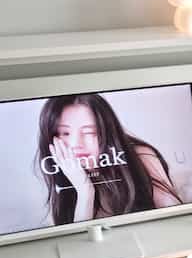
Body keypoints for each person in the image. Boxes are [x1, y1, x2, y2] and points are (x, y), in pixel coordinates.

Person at [36, 92, 182, 226]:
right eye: (64, 133)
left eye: (89, 132)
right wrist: (85, 192)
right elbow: (76, 246)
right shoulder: (60, 178)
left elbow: (177, 219)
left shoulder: (140, 156)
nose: (76, 144)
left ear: (107, 133)